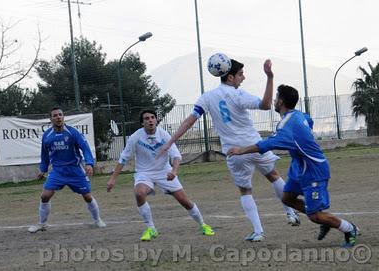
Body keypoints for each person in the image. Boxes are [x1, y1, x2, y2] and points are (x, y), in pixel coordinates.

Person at [159, 57, 299, 242]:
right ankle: (290, 212)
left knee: (245, 191)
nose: (243, 78)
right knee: (273, 176)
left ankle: (258, 231)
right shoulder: (237, 95)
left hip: (234, 151)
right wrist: (270, 77)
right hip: (255, 146)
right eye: (240, 74)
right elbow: (266, 105)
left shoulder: (207, 97)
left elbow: (190, 120)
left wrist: (170, 142)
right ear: (230, 77)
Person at [227, 85, 358, 247]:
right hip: (299, 168)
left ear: (281, 101)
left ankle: (349, 228)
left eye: (276, 98)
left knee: (314, 216)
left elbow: (267, 144)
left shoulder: (286, 126)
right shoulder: (298, 115)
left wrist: (241, 150)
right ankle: (324, 219)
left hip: (314, 170)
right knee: (287, 198)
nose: (274, 100)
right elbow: (309, 120)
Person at [107, 109, 215, 241]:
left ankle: (203, 225)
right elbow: (123, 158)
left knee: (184, 201)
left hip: (164, 171)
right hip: (144, 173)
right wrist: (113, 178)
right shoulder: (135, 137)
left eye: (152, 117)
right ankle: (151, 228)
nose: (150, 120)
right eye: (146, 118)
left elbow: (176, 156)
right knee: (139, 193)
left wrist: (174, 172)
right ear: (142, 123)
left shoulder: (164, 134)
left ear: (156, 120)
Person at [28, 107, 106, 233]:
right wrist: (42, 169)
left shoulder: (73, 132)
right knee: (45, 196)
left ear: (63, 117)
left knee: (87, 196)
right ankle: (42, 224)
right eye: (55, 115)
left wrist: (89, 164)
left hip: (75, 170)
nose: (58, 117)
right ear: (51, 119)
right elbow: (44, 155)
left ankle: (97, 220)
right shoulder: (47, 136)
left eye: (60, 114)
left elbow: (85, 148)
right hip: (57, 171)